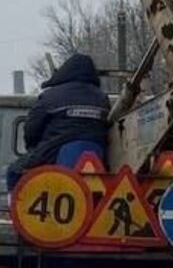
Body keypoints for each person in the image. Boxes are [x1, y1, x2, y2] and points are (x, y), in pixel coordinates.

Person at [7, 52, 111, 189]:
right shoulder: (102, 98)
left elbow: (31, 129)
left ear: (66, 71)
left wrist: (34, 148)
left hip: (54, 151)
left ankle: (17, 208)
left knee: (14, 171)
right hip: (98, 155)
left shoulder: (50, 96)